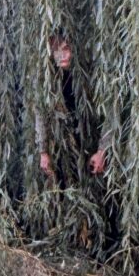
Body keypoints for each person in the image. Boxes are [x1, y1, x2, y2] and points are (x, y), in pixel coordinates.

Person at [38, 33, 107, 179]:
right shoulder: (48, 79)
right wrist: (43, 152)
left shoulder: (91, 76)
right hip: (62, 154)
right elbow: (41, 113)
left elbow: (108, 114)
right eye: (57, 50)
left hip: (90, 149)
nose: (61, 55)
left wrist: (102, 150)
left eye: (66, 48)